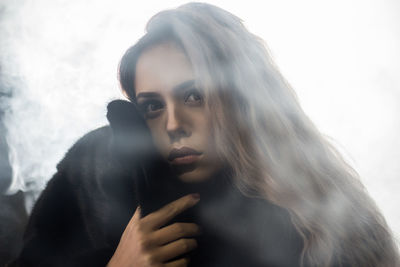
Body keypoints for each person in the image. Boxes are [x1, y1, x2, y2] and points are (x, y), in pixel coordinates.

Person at [9, 2, 399, 267]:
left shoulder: (329, 211)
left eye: (194, 96)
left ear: (243, 99)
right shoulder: (94, 176)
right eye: (152, 106)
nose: (174, 123)